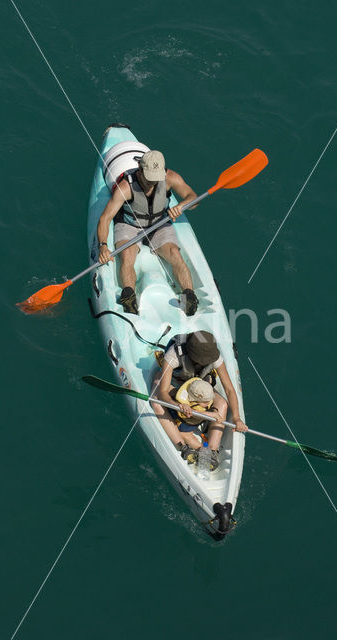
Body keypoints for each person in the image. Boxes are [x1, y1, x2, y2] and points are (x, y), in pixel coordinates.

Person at [97, 149, 199, 316]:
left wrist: (182, 206)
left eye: (155, 178)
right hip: (130, 224)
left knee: (174, 253)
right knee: (127, 254)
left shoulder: (170, 177)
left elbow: (193, 198)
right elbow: (105, 218)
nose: (152, 183)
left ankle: (189, 295)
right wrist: (102, 246)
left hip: (159, 224)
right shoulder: (125, 187)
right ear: (140, 168)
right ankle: (128, 296)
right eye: (148, 178)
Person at [151, 331, 248, 471]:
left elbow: (229, 390)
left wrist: (237, 418)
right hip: (177, 384)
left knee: (222, 404)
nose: (208, 362)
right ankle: (183, 446)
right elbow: (163, 392)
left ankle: (212, 452)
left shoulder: (214, 356)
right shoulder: (173, 355)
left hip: (198, 385)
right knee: (156, 401)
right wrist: (178, 405)